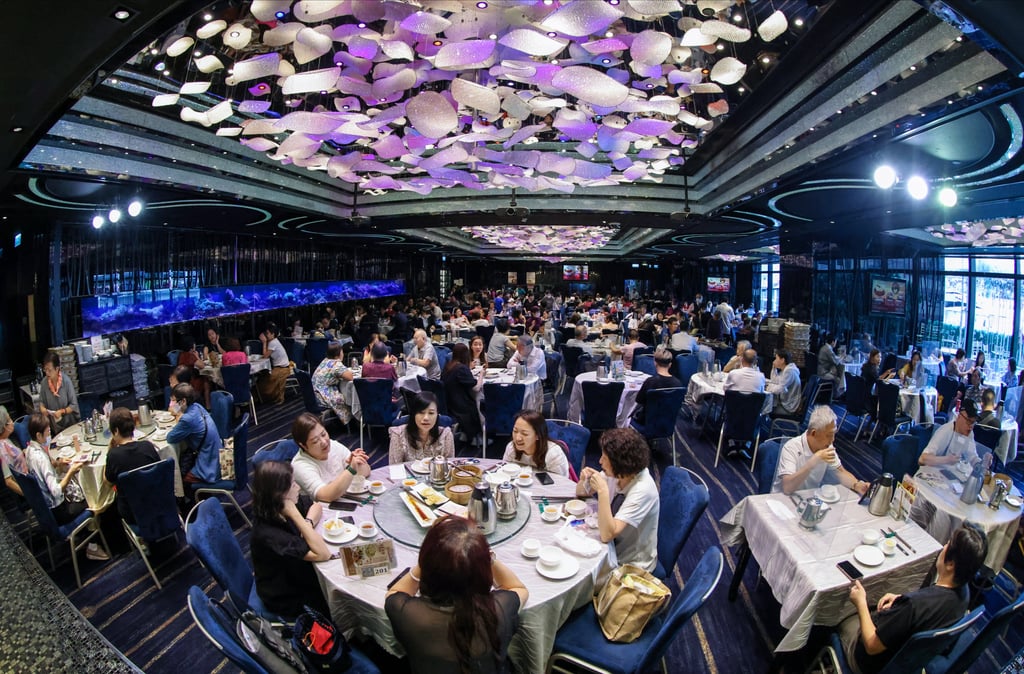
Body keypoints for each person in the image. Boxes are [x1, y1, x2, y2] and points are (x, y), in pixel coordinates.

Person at [385, 516, 528, 674]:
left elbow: (395, 593)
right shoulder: (500, 608)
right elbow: (517, 588)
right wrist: (487, 558)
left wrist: (428, 560)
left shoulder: (406, 613)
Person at [838, 524, 988, 674]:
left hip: (870, 664)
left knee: (844, 619)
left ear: (950, 564)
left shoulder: (913, 605)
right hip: (908, 664)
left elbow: (871, 646)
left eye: (947, 544)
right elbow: (924, 610)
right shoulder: (964, 593)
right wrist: (900, 600)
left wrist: (861, 602)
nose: (943, 546)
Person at [250, 460, 331, 618]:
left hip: (294, 572)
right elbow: (323, 554)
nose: (298, 487)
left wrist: (307, 522)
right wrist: (296, 515)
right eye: (293, 484)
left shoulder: (274, 506)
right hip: (286, 594)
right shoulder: (268, 533)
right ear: (280, 494)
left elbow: (316, 506)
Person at [24, 414, 108, 561]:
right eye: (47, 431)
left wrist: (58, 463)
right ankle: (92, 546)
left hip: (46, 508)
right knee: (93, 499)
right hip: (59, 510)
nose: (50, 433)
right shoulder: (41, 459)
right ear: (38, 434)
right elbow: (56, 492)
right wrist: (71, 471)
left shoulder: (30, 450)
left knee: (81, 488)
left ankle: (85, 536)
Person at [576, 428, 659, 572]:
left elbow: (607, 535)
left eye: (605, 458)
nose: (600, 461)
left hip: (630, 563)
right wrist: (584, 480)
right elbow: (582, 493)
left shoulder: (642, 489)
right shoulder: (619, 472)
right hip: (613, 546)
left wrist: (602, 491)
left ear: (620, 463)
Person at [773, 406, 869, 495]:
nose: (832, 440)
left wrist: (856, 485)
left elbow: (840, 472)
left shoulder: (827, 447)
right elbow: (787, 488)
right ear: (814, 433)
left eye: (834, 434)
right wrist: (812, 462)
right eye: (828, 435)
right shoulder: (791, 447)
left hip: (807, 498)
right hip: (782, 500)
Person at [290, 412, 371, 502]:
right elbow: (326, 496)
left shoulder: (332, 445)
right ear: (304, 446)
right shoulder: (300, 466)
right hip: (322, 510)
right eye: (315, 441)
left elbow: (365, 472)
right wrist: (351, 470)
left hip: (345, 500)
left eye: (323, 434)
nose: (324, 442)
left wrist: (358, 463)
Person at [103, 407, 160, 524]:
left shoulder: (114, 455)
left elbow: (108, 482)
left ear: (116, 430)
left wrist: (110, 450)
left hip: (133, 513)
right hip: (157, 503)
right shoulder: (147, 446)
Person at [167, 382, 222, 484]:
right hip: (216, 454)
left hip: (209, 465)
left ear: (183, 401)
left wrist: (177, 413)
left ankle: (196, 498)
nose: (171, 403)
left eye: (173, 400)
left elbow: (170, 438)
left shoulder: (187, 419)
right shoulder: (197, 406)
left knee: (178, 479)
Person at [388, 392, 455, 464]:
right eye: (421, 413)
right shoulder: (398, 435)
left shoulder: (445, 435)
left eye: (431, 413)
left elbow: (449, 467)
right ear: (413, 414)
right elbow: (395, 469)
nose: (426, 418)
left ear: (437, 414)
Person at [503, 410, 569, 477]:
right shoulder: (511, 448)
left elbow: (561, 483)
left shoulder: (553, 454)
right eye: (515, 431)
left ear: (538, 436)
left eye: (525, 434)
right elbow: (505, 474)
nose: (518, 438)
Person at [919, 397, 981, 467]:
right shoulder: (945, 431)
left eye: (973, 422)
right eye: (969, 421)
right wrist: (946, 460)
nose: (971, 426)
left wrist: (982, 463)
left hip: (950, 473)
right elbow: (922, 459)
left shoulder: (969, 433)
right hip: (931, 473)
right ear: (959, 416)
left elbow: (972, 457)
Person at [441, 343, 485, 443]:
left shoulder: (448, 366)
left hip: (448, 403)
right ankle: (477, 437)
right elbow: (477, 388)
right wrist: (482, 374)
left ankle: (466, 434)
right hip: (460, 406)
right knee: (478, 402)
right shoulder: (461, 369)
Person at [632, 347, 681, 424]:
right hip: (668, 422)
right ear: (670, 364)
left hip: (647, 421)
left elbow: (639, 401)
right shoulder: (678, 384)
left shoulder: (650, 381)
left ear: (655, 363)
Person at [311, 342, 354, 424]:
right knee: (347, 397)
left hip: (313, 394)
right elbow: (350, 377)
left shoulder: (325, 361)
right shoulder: (336, 364)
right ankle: (353, 421)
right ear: (339, 353)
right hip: (322, 396)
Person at [38, 351, 80, 434]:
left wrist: (62, 411)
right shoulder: (44, 383)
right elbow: (42, 402)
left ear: (57, 369)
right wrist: (42, 409)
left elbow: (74, 405)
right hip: (54, 425)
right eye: (45, 370)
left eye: (49, 370)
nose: (47, 373)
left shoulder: (66, 382)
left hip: (70, 423)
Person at [257, 322, 291, 403]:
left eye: (267, 333)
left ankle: (267, 397)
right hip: (280, 367)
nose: (266, 335)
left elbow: (265, 356)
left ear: (273, 334)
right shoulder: (274, 341)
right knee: (263, 377)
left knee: (266, 379)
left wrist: (264, 343)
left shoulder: (273, 343)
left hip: (282, 369)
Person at [0, 405, 27, 496]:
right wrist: (30, 495)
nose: (12, 422)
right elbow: (9, 481)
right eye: (9, 420)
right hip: (27, 483)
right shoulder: (2, 450)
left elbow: (14, 459)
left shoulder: (6, 440)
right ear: (4, 426)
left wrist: (23, 453)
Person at [177, 335, 210, 408]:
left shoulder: (181, 355)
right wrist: (197, 356)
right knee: (206, 380)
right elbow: (202, 365)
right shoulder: (190, 356)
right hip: (191, 381)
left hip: (183, 380)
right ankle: (208, 405)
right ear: (192, 345)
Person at [766, 349, 802, 416]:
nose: (774, 361)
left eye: (776, 359)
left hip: (788, 407)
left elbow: (780, 389)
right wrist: (774, 368)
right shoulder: (786, 369)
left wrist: (768, 388)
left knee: (765, 407)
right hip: (784, 402)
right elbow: (775, 380)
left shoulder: (789, 371)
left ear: (782, 360)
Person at [817, 333, 846, 397]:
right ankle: (837, 396)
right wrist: (842, 357)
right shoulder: (828, 349)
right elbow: (836, 361)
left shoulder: (824, 347)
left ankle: (834, 395)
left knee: (836, 375)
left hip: (820, 370)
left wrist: (839, 357)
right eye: (835, 341)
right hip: (823, 373)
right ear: (833, 342)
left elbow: (834, 358)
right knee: (838, 379)